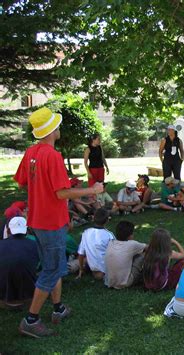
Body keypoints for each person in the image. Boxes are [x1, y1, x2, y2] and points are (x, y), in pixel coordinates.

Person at [15, 107, 104, 338]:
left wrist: (41, 191)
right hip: (50, 222)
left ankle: (58, 308)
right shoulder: (52, 156)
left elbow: (22, 183)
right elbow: (62, 193)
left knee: (51, 265)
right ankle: (31, 320)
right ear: (52, 129)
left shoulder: (31, 152)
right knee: (53, 269)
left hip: (37, 219)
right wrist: (92, 189)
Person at [0, 217, 39, 309]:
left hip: (3, 299)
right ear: (26, 230)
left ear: (9, 231)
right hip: (30, 297)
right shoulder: (35, 245)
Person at [104, 221, 147, 289]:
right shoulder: (132, 244)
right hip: (125, 283)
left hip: (109, 282)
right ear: (130, 236)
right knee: (143, 254)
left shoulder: (110, 243)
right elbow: (149, 247)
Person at [76, 208, 115, 281]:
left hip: (92, 267)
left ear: (93, 218)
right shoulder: (109, 235)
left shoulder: (86, 233)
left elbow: (80, 253)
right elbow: (116, 253)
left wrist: (81, 269)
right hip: (104, 269)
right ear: (107, 220)